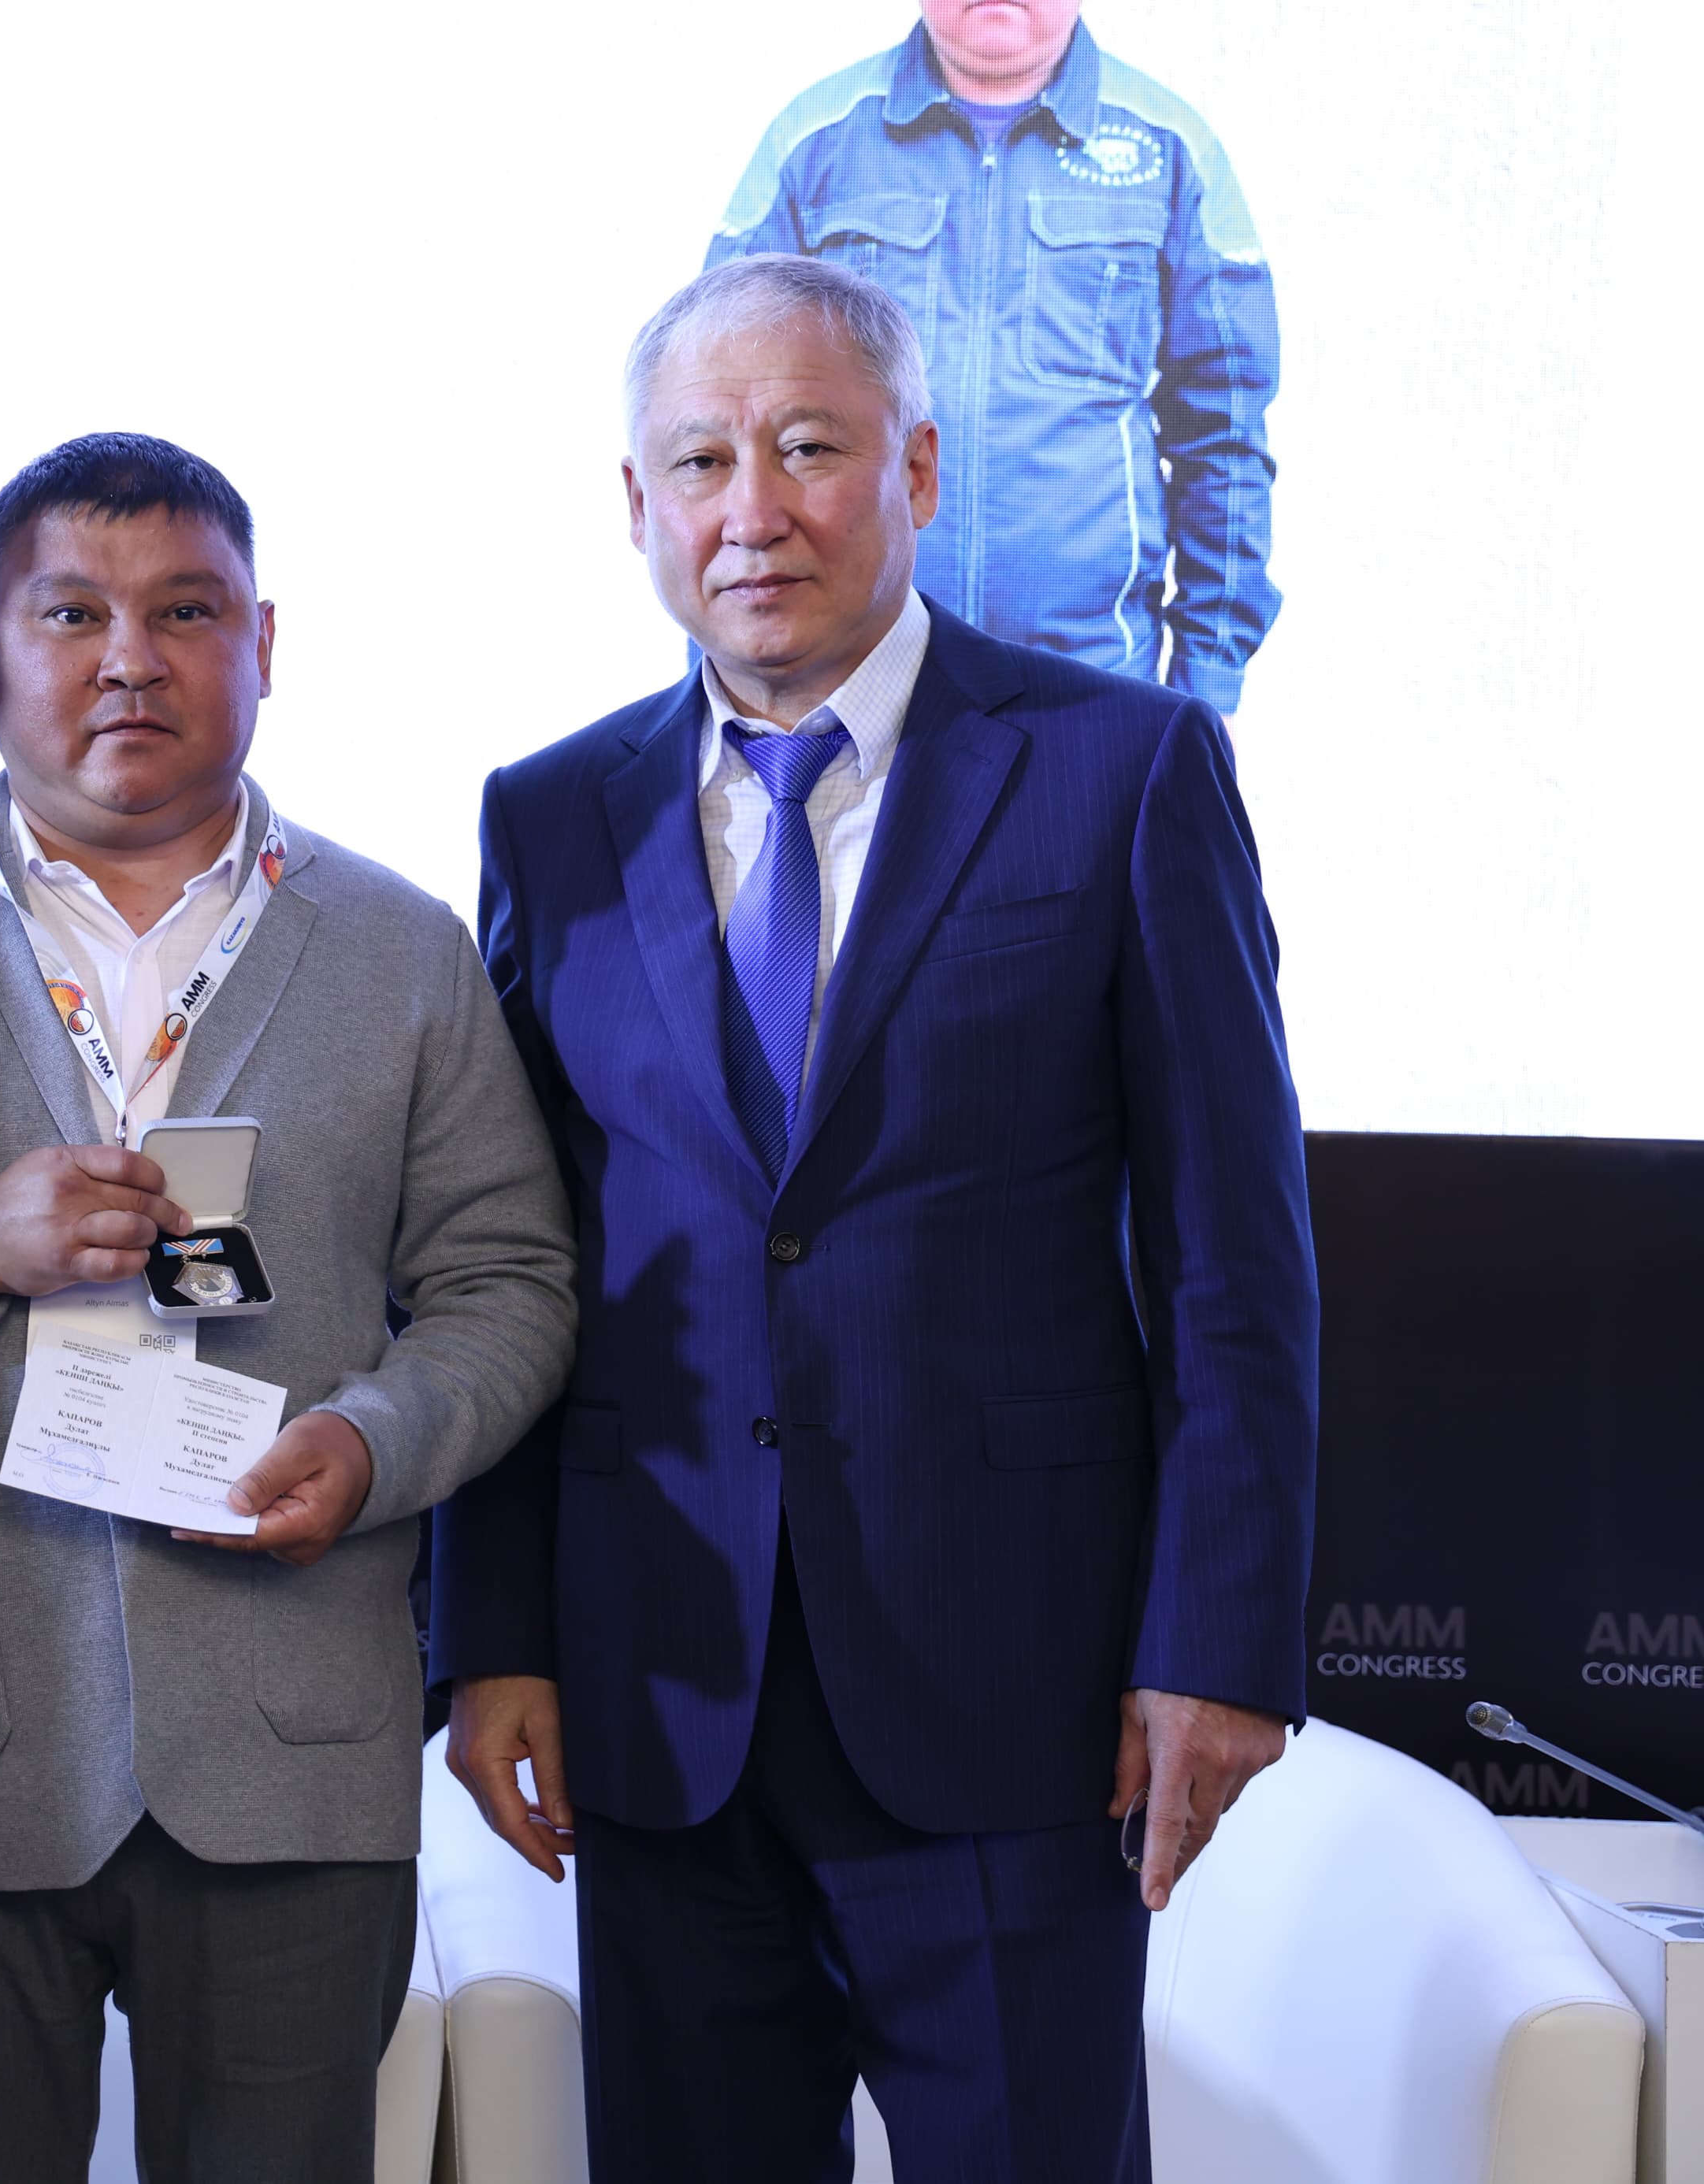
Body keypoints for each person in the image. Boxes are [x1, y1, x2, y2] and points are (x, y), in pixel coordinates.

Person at [432, 256, 1315, 2182]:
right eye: (699, 461)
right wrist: (489, 1630)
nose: (751, 509)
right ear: (638, 504)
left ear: (913, 465)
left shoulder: (1121, 769)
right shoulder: (550, 819)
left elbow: (1232, 1260)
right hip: (664, 1698)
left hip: (1011, 1691)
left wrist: (1224, 1637)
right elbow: (512, 1263)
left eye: (808, 448)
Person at [0, 433, 576, 2184]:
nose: (129, 657)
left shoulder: (402, 949)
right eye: (71, 613)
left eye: (185, 611)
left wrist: (377, 1443)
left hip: (293, 1752)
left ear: (264, 642)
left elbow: (508, 1283)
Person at [711, 0, 1279, 714]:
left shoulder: (1171, 151)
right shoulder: (814, 142)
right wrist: (733, 687)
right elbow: (714, 425)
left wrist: (1208, 694)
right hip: (848, 691)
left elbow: (1226, 438)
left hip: (1091, 687)